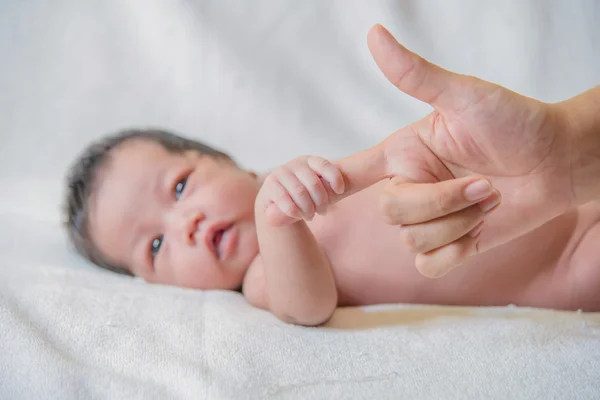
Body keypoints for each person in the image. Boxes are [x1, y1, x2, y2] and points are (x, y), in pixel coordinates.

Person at [64, 25, 600, 326]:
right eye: (156, 246)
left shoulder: (307, 178)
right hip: (562, 267)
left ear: (235, 165)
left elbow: (392, 157)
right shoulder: (260, 278)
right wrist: (274, 219)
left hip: (549, 187)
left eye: (180, 187)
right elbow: (310, 305)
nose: (185, 224)